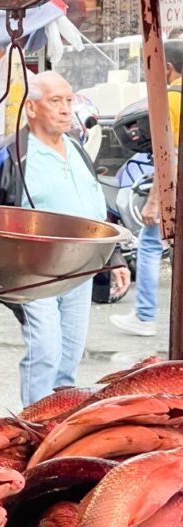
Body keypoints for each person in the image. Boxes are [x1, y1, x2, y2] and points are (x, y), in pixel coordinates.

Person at [0, 71, 130, 407]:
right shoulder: (12, 153)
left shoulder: (76, 148)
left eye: (69, 100)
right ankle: (34, 423)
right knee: (46, 350)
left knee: (70, 354)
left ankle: (59, 420)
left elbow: (94, 211)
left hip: (79, 269)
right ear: (31, 108)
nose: (67, 109)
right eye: (56, 101)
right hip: (31, 272)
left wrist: (115, 259)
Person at [110, 39, 183, 338]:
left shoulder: (173, 99)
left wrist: (155, 202)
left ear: (167, 68)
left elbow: (172, 156)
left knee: (151, 243)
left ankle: (144, 315)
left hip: (176, 190)